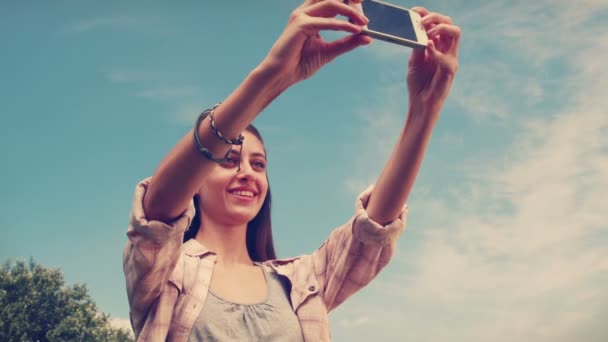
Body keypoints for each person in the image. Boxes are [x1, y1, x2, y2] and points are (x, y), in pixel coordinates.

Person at [123, 0, 461, 341]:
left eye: (258, 164)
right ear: (196, 180)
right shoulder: (168, 270)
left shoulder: (303, 282)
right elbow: (156, 215)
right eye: (228, 159)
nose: (247, 173)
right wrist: (274, 75)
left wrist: (424, 108)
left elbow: (373, 230)